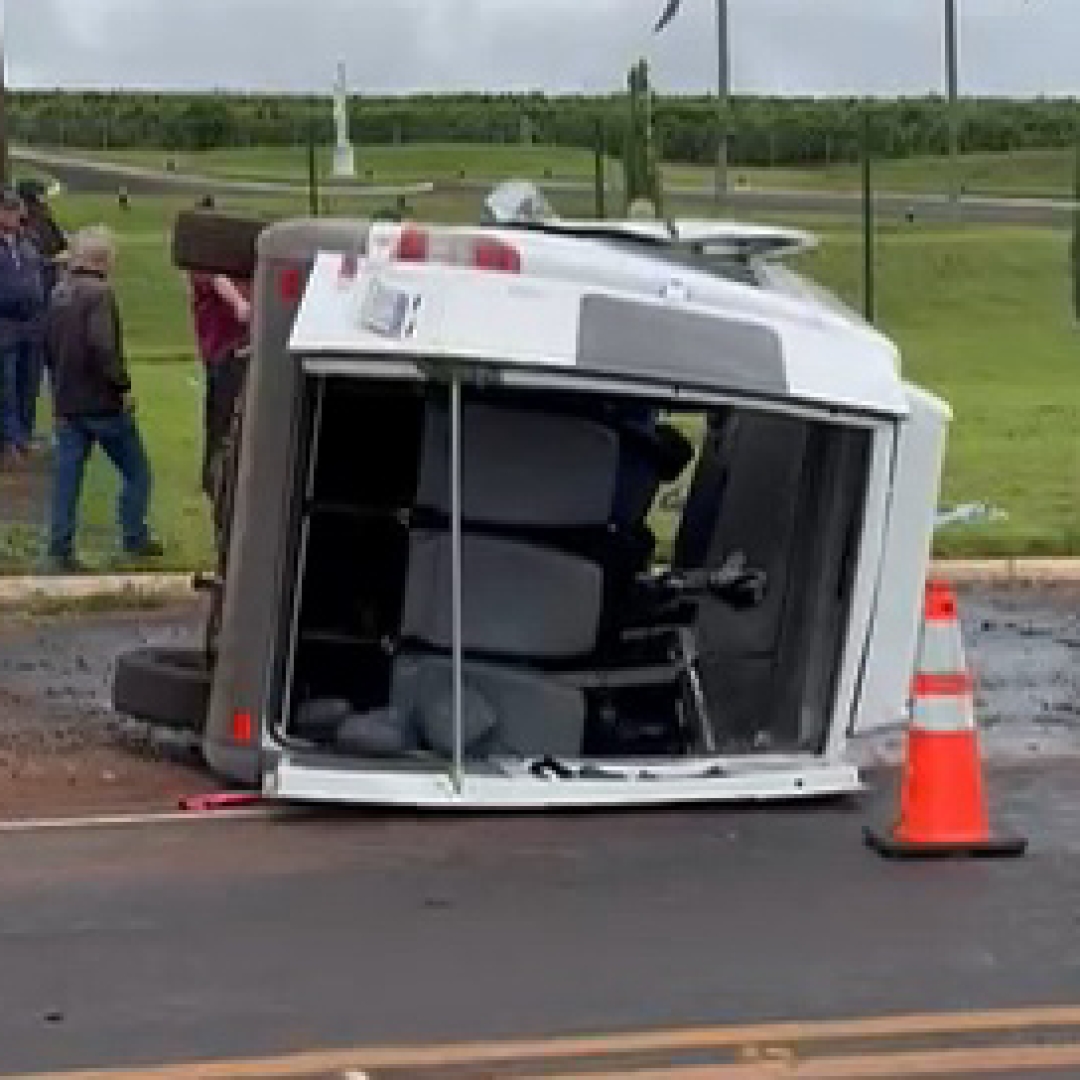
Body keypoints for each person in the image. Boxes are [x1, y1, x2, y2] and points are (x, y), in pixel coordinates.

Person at [44, 226, 162, 572]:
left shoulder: (59, 292)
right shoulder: (99, 294)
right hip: (101, 402)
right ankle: (134, 536)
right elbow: (103, 346)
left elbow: (47, 346)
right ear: (104, 259)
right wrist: (122, 387)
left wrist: (57, 394)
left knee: (67, 478)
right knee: (137, 471)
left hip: (67, 400)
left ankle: (59, 547)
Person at [187, 264, 252, 497]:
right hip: (224, 349)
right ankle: (215, 477)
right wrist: (239, 303)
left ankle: (221, 473)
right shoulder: (207, 265)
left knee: (229, 411)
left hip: (235, 345)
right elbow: (216, 279)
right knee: (223, 413)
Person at [17, 179, 67, 449]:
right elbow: (32, 263)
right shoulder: (27, 228)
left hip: (51, 300)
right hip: (35, 305)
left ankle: (46, 427)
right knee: (29, 371)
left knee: (46, 370)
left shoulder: (46, 221)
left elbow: (61, 244)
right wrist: (55, 261)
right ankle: (21, 432)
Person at [0, 188, 47, 466]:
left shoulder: (29, 243)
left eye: (15, 209)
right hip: (4, 323)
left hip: (32, 323)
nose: (14, 214)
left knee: (29, 382)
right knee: (6, 385)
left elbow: (40, 272)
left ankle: (24, 437)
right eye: (7, 209)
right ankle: (10, 441)